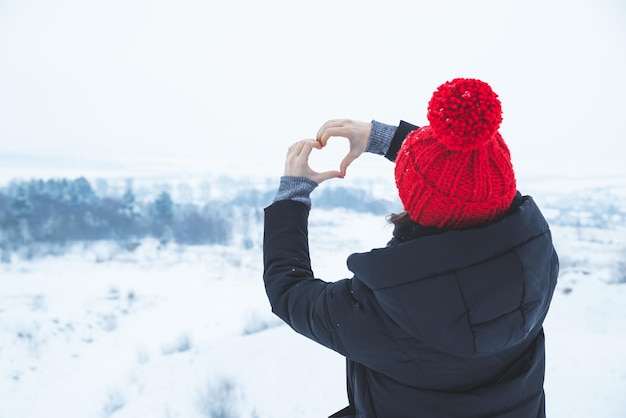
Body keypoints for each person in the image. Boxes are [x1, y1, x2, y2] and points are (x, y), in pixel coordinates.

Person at [263, 78, 559, 417]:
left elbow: (288, 291)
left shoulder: (382, 312)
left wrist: (292, 196)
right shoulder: (537, 261)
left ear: (416, 201)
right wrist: (383, 138)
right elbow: (471, 175)